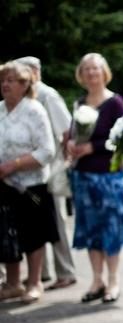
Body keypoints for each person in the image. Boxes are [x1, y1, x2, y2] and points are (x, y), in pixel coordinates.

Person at [68, 53, 123, 304]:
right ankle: (96, 279)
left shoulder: (115, 104)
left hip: (109, 176)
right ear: (81, 74)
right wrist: (71, 144)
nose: (91, 73)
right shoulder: (79, 104)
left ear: (104, 72)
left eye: (95, 69)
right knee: (91, 229)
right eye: (86, 69)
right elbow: (73, 133)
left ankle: (113, 280)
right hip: (83, 177)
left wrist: (94, 147)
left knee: (111, 228)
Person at [16, 56, 77, 291]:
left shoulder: (47, 95)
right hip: (33, 170)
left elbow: (65, 130)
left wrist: (65, 163)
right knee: (39, 221)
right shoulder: (24, 97)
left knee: (57, 221)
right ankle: (43, 272)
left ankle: (66, 271)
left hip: (52, 168)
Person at [0, 61, 58, 304]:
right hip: (3, 184)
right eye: (2, 80)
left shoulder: (35, 110)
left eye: (10, 81)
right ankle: (13, 284)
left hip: (30, 185)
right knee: (6, 233)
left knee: (33, 233)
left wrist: (15, 165)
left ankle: (34, 283)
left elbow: (47, 151)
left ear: (24, 85)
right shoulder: (0, 110)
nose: (4, 85)